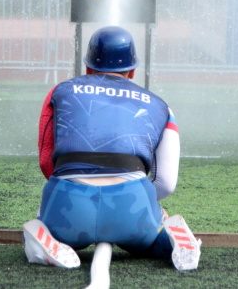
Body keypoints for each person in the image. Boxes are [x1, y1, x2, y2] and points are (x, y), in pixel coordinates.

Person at [23, 26, 201, 271]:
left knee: (43, 222)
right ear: (133, 70)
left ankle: (43, 235)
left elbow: (46, 161)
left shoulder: (60, 91)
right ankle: (172, 238)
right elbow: (166, 183)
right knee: (152, 238)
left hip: (69, 201)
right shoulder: (162, 106)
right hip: (132, 203)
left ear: (87, 67)